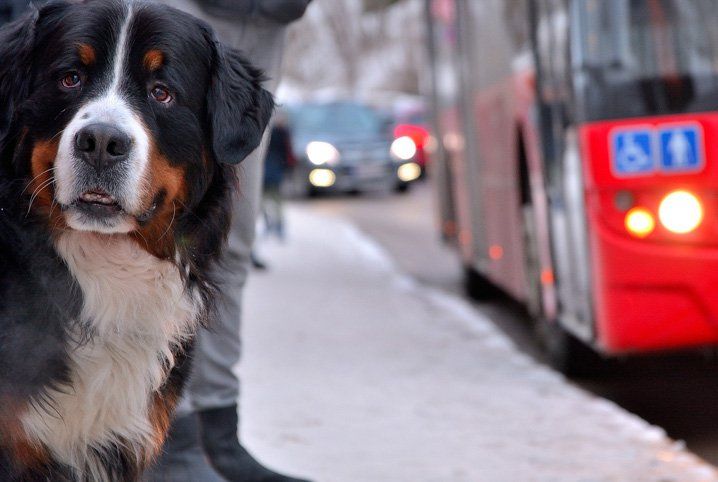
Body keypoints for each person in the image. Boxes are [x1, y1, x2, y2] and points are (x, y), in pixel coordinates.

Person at [144, 1, 312, 481]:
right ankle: (168, 432)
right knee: (166, 240)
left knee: (232, 246)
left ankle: (217, 432)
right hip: (185, 10)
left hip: (267, 21)